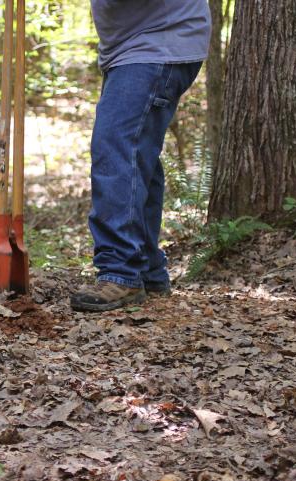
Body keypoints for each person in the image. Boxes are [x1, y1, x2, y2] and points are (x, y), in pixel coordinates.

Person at [70, 0, 212, 312]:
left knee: (116, 147)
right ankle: (146, 271)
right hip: (138, 46)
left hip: (157, 42)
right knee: (135, 155)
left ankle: (121, 272)